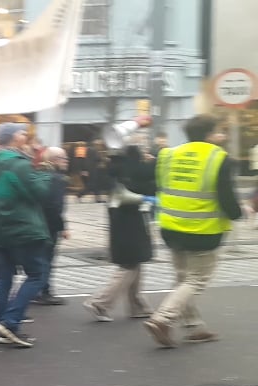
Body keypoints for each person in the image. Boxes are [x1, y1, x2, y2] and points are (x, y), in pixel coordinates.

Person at [143, 115, 242, 347]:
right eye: (219, 132)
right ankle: (163, 318)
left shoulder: (168, 155)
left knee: (182, 278)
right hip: (202, 231)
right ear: (209, 135)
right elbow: (226, 197)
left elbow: (157, 185)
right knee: (196, 280)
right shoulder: (219, 158)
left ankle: (194, 326)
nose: (222, 136)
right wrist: (238, 214)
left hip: (170, 227)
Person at [0, 123, 52, 348]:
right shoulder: (18, 165)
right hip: (22, 228)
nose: (26, 136)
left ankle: (2, 325)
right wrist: (44, 170)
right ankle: (10, 322)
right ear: (13, 137)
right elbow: (40, 194)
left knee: (3, 278)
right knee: (37, 275)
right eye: (23, 132)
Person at [84, 145, 156, 322]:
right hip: (131, 224)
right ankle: (100, 302)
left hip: (121, 223)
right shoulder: (129, 174)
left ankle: (138, 305)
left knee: (134, 263)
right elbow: (138, 191)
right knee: (129, 265)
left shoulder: (115, 171)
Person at [31, 147, 70, 306]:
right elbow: (55, 206)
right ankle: (43, 292)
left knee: (40, 258)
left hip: (37, 222)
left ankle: (37, 290)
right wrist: (62, 227)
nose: (67, 162)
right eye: (64, 158)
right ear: (55, 160)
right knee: (47, 259)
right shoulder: (57, 179)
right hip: (49, 225)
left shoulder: (39, 173)